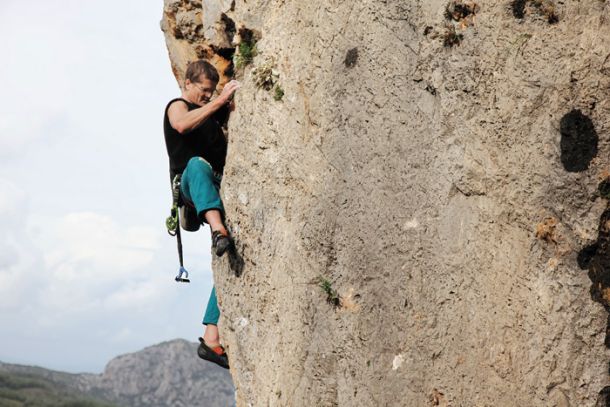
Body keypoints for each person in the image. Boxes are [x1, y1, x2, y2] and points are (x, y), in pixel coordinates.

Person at [163, 59, 240, 369]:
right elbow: (181, 125)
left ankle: (211, 337)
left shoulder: (210, 114)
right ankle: (218, 229)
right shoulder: (176, 106)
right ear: (188, 84)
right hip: (192, 188)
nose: (208, 97)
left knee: (231, 262)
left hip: (216, 189)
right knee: (196, 163)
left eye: (212, 92)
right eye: (204, 91)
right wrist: (220, 101)